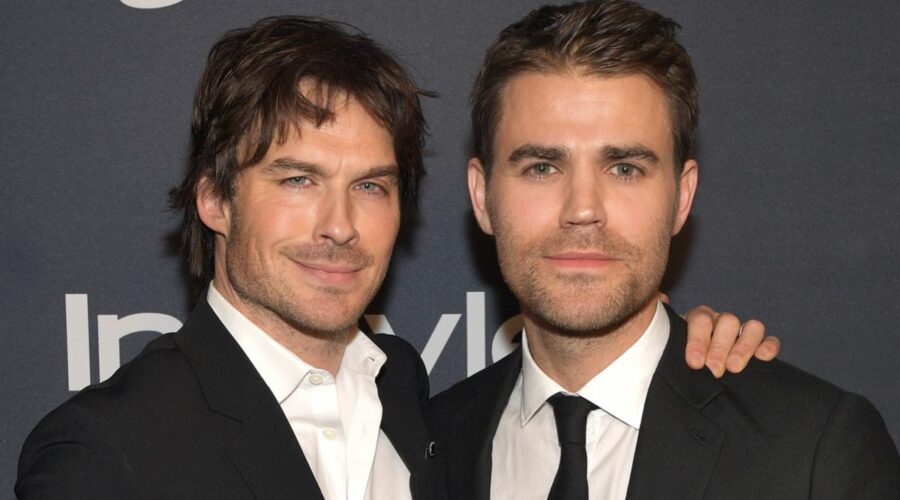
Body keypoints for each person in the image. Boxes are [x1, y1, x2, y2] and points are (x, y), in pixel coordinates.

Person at [17, 14, 777, 500]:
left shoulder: (410, 396)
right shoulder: (103, 454)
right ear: (214, 199)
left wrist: (672, 348)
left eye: (371, 186)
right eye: (298, 179)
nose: (340, 226)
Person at [427, 1, 900, 499]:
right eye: (542, 168)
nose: (583, 209)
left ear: (683, 197)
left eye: (625, 169)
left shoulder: (813, 451)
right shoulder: (426, 446)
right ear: (482, 196)